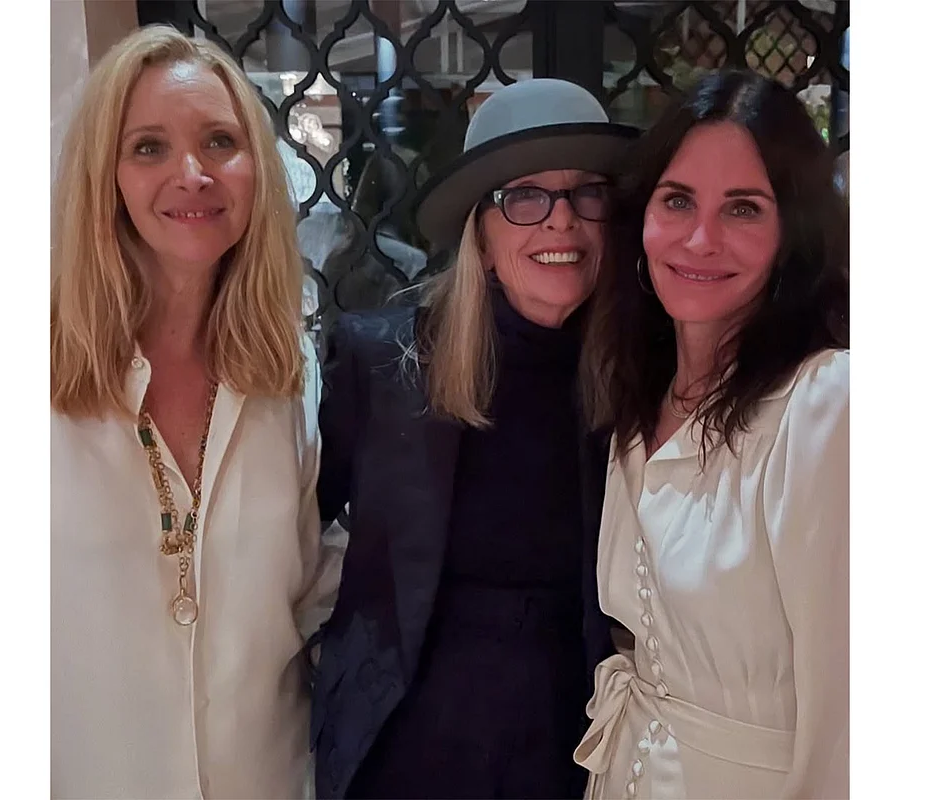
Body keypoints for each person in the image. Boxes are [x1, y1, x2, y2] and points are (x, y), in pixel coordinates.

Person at [310, 78, 639, 799]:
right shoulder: (382, 364)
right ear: (481, 236)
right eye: (525, 196)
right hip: (407, 745)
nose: (562, 221)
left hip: (574, 747)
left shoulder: (644, 380)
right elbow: (289, 536)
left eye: (587, 194)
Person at [50, 25, 341, 799]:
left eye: (220, 142)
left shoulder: (289, 375)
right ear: (104, 177)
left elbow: (307, 589)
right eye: (149, 147)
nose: (192, 174)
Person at [574, 70, 849, 799]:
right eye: (677, 200)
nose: (701, 239)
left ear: (792, 233)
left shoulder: (827, 405)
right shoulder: (639, 400)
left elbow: (855, 717)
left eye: (744, 208)